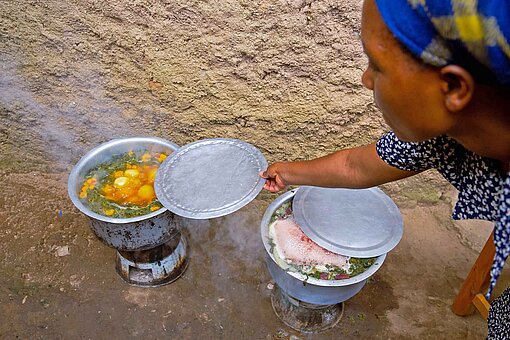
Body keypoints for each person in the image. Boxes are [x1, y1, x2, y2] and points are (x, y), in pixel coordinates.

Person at [260, 0, 509, 337]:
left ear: (453, 87)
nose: (366, 79)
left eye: (376, 65)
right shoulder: (445, 134)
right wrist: (288, 172)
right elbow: (355, 166)